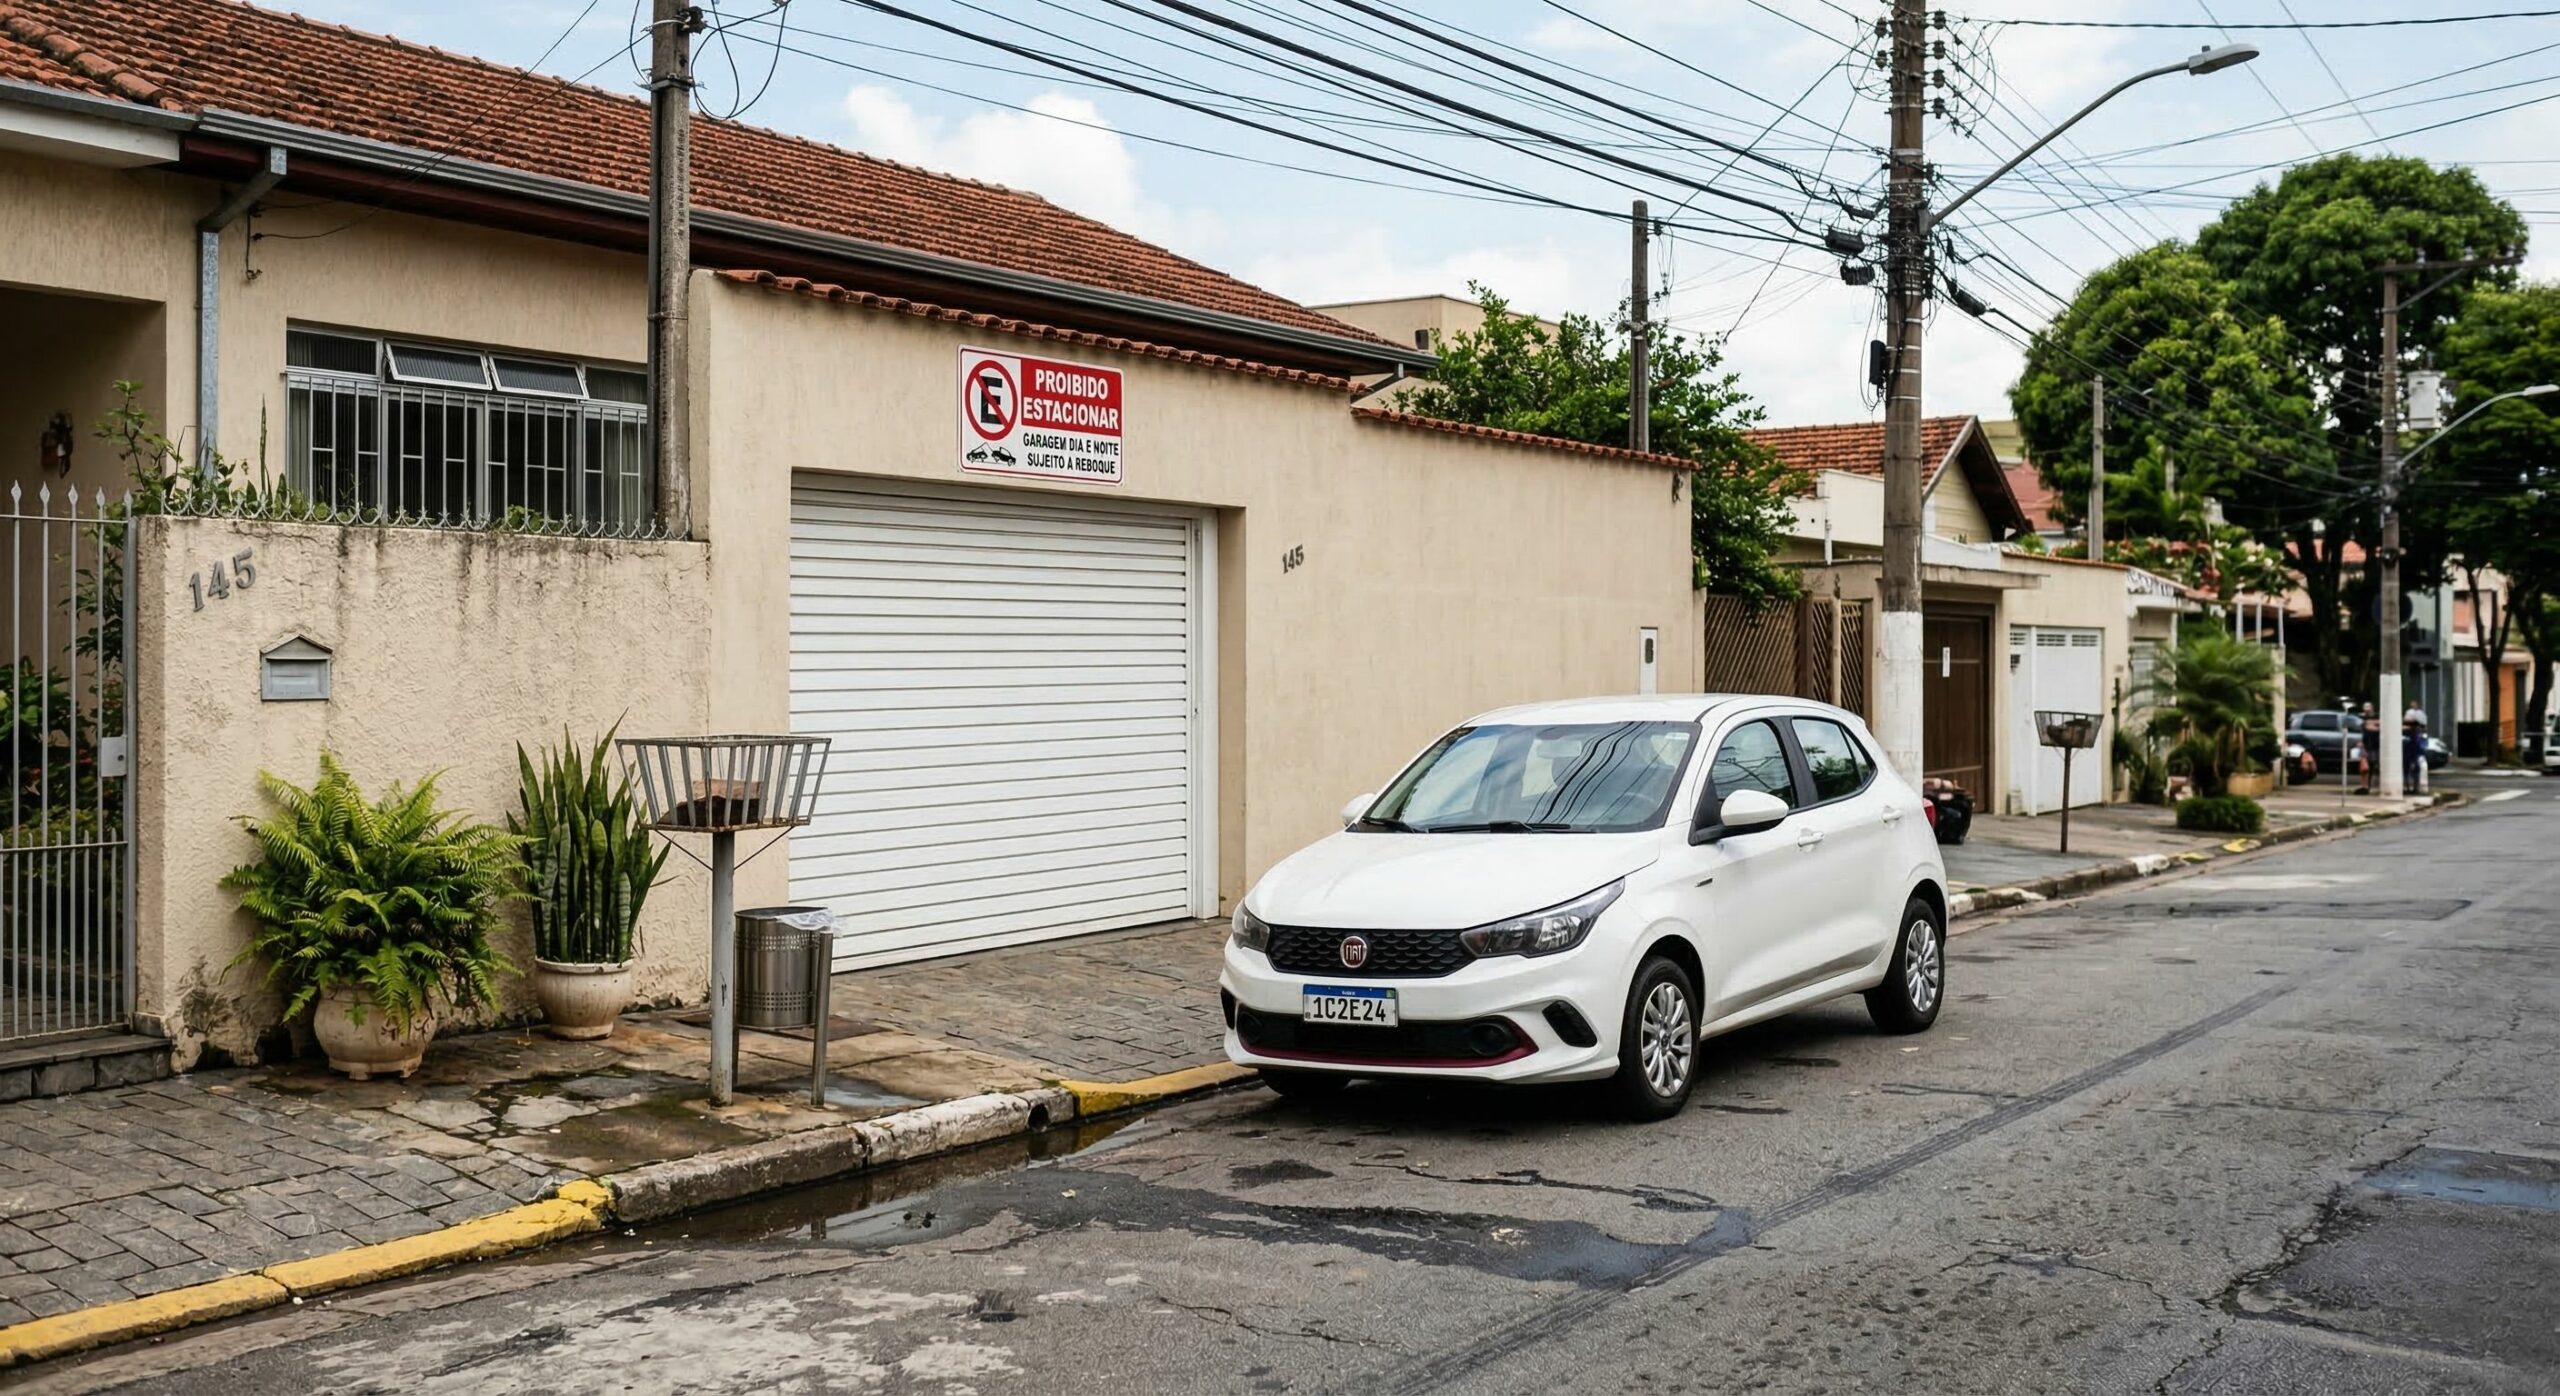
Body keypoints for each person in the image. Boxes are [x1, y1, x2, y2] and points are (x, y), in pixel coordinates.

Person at [2403, 700, 2429, 792]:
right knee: (2406, 766)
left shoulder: (2420, 716)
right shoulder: (2408, 713)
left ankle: (2415, 786)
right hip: (2408, 747)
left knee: (2416, 766)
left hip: (2415, 748)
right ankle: (2407, 786)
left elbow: (2423, 727)